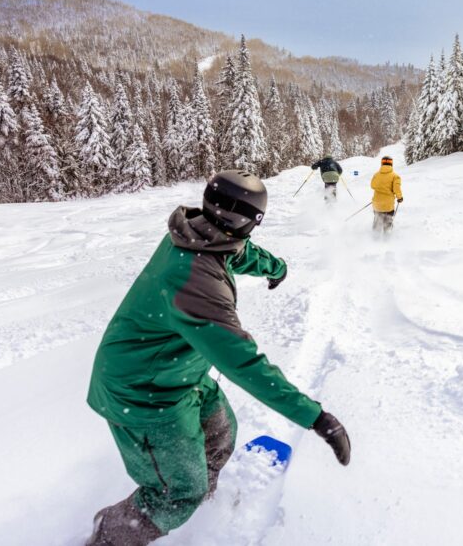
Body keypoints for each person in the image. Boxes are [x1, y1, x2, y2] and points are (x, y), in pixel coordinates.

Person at [86, 170, 351, 546]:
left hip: (177, 376)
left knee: (221, 436)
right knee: (176, 494)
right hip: (142, 393)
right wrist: (317, 418)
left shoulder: (199, 231)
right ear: (250, 221)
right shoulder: (196, 283)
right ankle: (108, 537)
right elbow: (244, 363)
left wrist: (276, 268)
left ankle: (200, 496)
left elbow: (236, 253)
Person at [370, 155, 403, 235]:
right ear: (391, 164)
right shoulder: (395, 176)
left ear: (382, 163)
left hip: (377, 203)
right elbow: (396, 189)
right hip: (388, 205)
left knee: (377, 219)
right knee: (388, 221)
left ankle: (374, 239)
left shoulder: (376, 175)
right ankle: (387, 239)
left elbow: (372, 185)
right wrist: (400, 197)